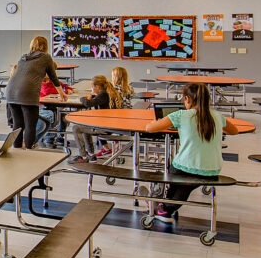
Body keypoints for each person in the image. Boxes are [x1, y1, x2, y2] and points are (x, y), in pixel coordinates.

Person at [145, 82, 239, 221]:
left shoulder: (181, 115)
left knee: (177, 173)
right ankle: (164, 207)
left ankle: (164, 207)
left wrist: (154, 122)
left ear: (187, 99)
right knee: (184, 185)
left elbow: (150, 128)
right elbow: (234, 131)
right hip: (213, 169)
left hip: (186, 168)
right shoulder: (218, 116)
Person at [4, 36, 67, 149]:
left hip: (11, 91)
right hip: (28, 93)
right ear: (45, 46)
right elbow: (53, 77)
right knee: (30, 125)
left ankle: (17, 150)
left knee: (18, 125)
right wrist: (62, 94)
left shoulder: (23, 57)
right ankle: (28, 150)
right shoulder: (46, 57)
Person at [70, 75, 123, 162]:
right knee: (85, 125)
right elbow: (98, 101)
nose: (92, 88)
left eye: (92, 87)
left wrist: (83, 98)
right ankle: (91, 155)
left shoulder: (103, 94)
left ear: (97, 87)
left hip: (104, 127)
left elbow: (87, 103)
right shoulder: (110, 92)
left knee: (76, 128)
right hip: (110, 125)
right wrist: (93, 96)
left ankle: (83, 156)